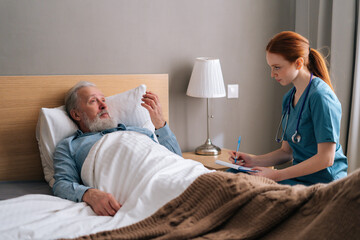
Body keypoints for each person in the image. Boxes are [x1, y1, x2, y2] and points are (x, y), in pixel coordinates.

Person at [228, 31, 348, 186]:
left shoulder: (321, 97)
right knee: (234, 174)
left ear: (298, 63)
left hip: (324, 182)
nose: (272, 74)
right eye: (271, 67)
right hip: (298, 177)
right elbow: (287, 152)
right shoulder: (289, 97)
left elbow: (326, 158)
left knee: (250, 186)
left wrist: (277, 175)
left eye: (277, 67)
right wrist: (252, 160)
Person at [53, 81, 182, 216]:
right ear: (76, 115)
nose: (103, 105)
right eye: (93, 101)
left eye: (103, 100)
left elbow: (176, 160)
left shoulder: (140, 131)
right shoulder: (70, 145)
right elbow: (62, 184)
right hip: (140, 184)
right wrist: (90, 194)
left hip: (173, 174)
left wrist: (160, 123)